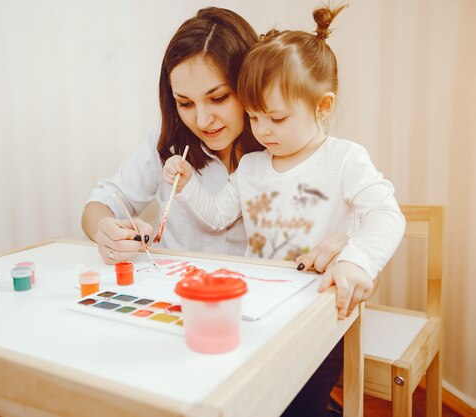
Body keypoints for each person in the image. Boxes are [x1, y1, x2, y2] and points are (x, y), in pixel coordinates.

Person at [82, 7, 352, 417]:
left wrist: (344, 244)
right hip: (182, 321)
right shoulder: (169, 149)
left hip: (271, 328)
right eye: (184, 103)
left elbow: (354, 220)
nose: (202, 119)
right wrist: (105, 228)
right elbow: (101, 202)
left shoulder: (291, 150)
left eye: (219, 97)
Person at [163, 5, 406, 415]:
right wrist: (186, 186)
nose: (262, 130)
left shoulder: (344, 159)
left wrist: (357, 261)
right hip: (262, 305)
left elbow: (387, 215)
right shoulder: (253, 165)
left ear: (323, 106)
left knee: (300, 404)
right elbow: (220, 215)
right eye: (254, 116)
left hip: (320, 313)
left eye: (275, 117)